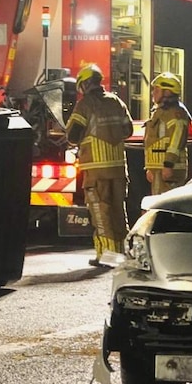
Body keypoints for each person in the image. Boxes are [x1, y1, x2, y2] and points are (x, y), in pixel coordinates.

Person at [65, 64, 134, 267]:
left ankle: (107, 257)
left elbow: (72, 136)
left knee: (101, 213)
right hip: (119, 169)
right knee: (118, 211)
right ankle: (121, 254)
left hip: (96, 170)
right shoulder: (116, 101)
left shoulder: (85, 105)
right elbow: (128, 130)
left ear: (85, 84)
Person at [144, 72, 191, 195]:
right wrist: (150, 167)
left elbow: (176, 141)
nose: (153, 93)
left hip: (169, 168)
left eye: (157, 90)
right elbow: (153, 141)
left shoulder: (176, 114)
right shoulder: (160, 112)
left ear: (167, 92)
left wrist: (168, 164)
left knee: (165, 208)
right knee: (158, 206)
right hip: (159, 169)